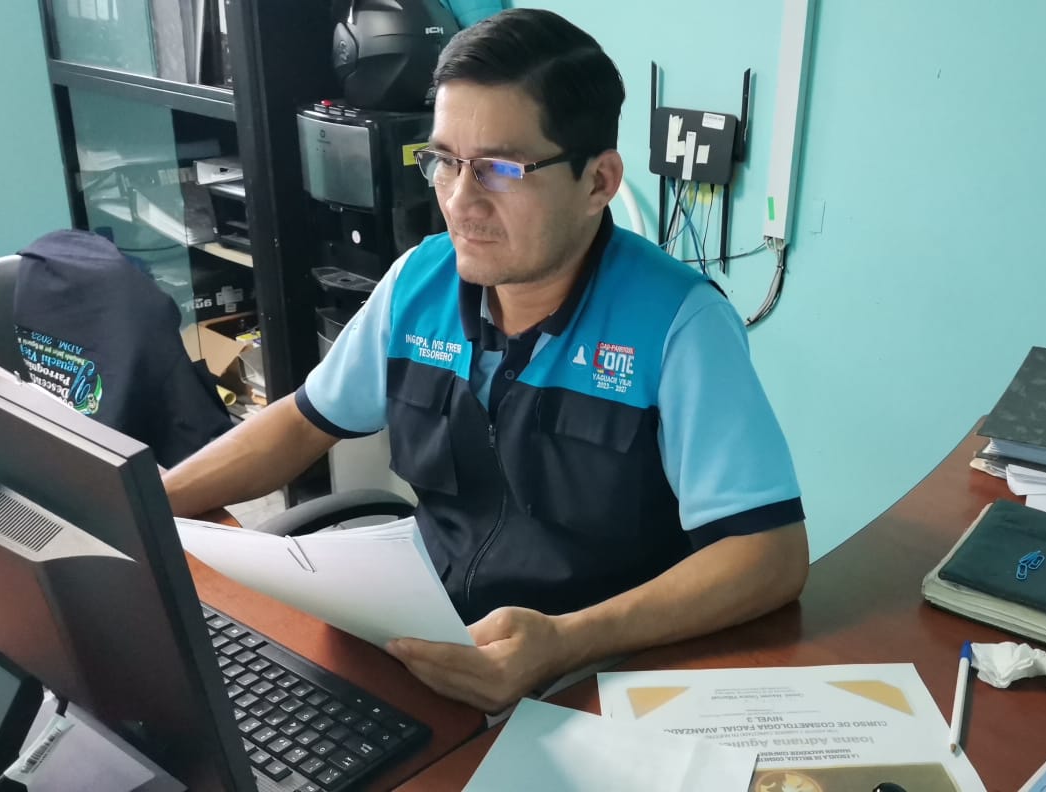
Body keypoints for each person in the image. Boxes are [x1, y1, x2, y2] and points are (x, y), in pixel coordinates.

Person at [163, 7, 808, 713]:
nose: (460, 202)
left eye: (500, 168)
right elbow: (302, 422)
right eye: (444, 161)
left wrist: (566, 642)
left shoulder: (678, 325)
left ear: (598, 182)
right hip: (428, 642)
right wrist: (152, 500)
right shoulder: (420, 282)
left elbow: (769, 557)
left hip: (598, 675)